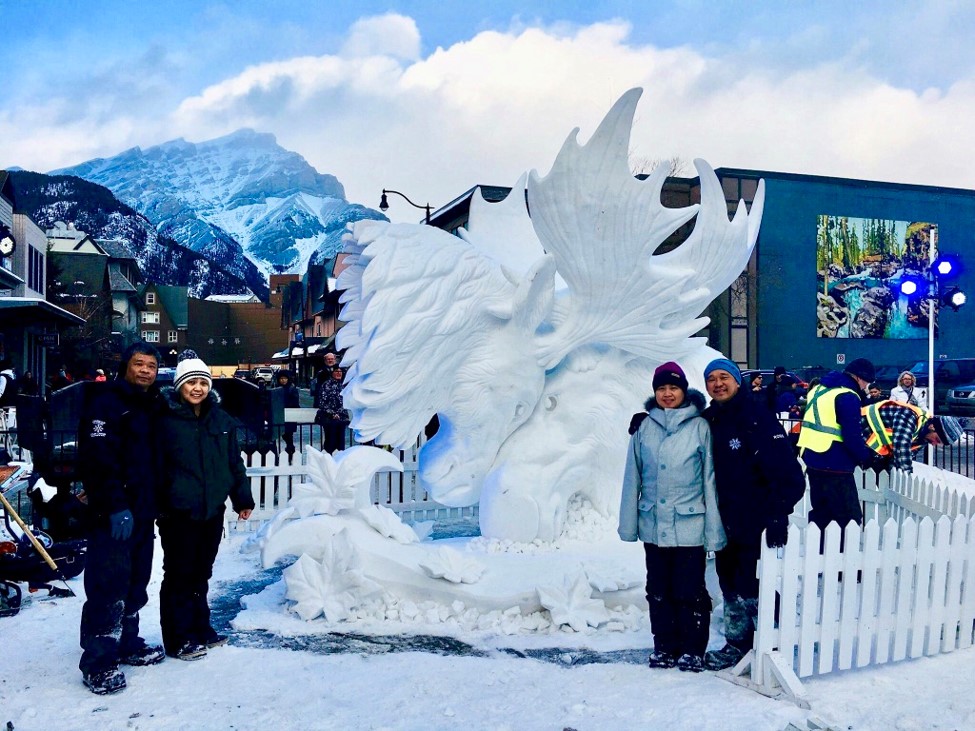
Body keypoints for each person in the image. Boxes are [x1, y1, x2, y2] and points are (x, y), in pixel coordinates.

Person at [618, 361, 725, 673]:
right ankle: (664, 645)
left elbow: (709, 480)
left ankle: (693, 648)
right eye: (661, 388)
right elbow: (632, 478)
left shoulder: (700, 427)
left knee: (690, 590)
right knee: (658, 589)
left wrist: (713, 531)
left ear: (684, 391)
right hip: (653, 526)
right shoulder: (643, 428)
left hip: (689, 526)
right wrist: (628, 524)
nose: (667, 393)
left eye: (673, 388)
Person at [701, 358, 806, 670]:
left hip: (754, 518)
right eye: (711, 379)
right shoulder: (709, 418)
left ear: (737, 381)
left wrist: (777, 514)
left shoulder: (756, 415)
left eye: (724, 377)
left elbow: (790, 476)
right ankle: (737, 643)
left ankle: (773, 642)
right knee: (728, 582)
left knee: (751, 583)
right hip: (723, 519)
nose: (718, 383)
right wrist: (647, 417)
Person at [77, 342, 165, 695]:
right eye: (139, 363)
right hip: (113, 515)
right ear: (125, 366)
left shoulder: (155, 405)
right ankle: (99, 661)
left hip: (143, 512)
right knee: (108, 585)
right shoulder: (106, 403)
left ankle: (127, 643)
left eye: (152, 366)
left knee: (136, 582)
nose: (145, 370)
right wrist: (114, 504)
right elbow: (98, 459)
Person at [158, 354, 254, 661]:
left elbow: (233, 463)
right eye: (191, 383)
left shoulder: (221, 421)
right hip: (179, 511)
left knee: (202, 572)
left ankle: (200, 627)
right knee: (179, 574)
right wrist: (162, 502)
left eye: (202, 382)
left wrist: (243, 498)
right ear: (179, 386)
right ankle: (178, 638)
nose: (197, 388)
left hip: (212, 510)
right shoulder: (165, 420)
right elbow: (156, 466)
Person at [796, 358, 876, 536]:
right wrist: (867, 457)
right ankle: (841, 560)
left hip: (813, 458)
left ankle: (821, 554)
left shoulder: (820, 389)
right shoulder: (847, 396)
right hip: (835, 463)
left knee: (821, 516)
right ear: (858, 378)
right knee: (849, 519)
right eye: (867, 382)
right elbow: (852, 436)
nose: (866, 388)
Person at [862, 400, 964, 473]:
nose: (934, 444)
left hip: (866, 445)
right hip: (855, 429)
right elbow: (901, 449)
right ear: (933, 427)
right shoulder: (908, 415)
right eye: (937, 439)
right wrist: (906, 480)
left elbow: (903, 458)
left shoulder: (923, 436)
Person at [315, 366, 350, 453]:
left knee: (341, 445)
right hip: (329, 420)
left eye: (340, 371)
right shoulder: (326, 385)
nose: (339, 373)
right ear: (332, 373)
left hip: (342, 419)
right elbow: (322, 402)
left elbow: (348, 401)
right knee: (330, 443)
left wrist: (340, 413)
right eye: (336, 371)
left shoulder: (344, 385)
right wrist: (333, 414)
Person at [273, 368, 300, 456]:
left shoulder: (292, 389)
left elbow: (295, 402)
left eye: (285, 378)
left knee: (288, 435)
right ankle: (289, 449)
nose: (283, 380)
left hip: (289, 415)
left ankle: (290, 449)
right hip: (279, 416)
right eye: (281, 378)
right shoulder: (276, 389)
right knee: (282, 434)